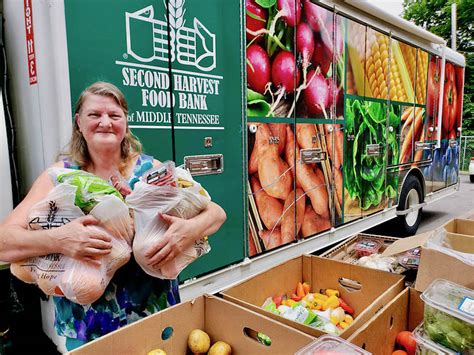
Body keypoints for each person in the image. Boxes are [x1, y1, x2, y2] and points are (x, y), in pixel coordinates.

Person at [0, 81, 226, 351]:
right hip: (89, 331)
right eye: (94, 115)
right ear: (78, 123)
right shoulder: (59, 177)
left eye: (114, 115)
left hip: (157, 320)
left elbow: (216, 213)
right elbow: (4, 243)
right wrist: (60, 240)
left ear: (125, 123)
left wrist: (188, 230)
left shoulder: (149, 170)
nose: (105, 122)